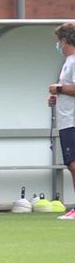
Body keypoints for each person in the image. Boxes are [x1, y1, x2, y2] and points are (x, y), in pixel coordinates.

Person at [49, 22, 75, 220]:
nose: (58, 45)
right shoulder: (68, 61)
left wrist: (57, 89)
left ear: (64, 40)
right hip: (67, 119)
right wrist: (57, 97)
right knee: (71, 164)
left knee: (74, 164)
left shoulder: (74, 61)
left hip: (72, 121)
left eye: (59, 41)